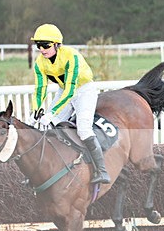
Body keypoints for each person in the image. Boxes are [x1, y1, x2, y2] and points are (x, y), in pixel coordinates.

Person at [30, 23, 110, 184]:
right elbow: (40, 89)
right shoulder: (40, 62)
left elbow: (70, 90)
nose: (42, 49)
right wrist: (36, 111)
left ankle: (102, 171)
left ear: (57, 44)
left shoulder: (71, 55)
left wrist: (52, 113)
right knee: (48, 127)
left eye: (46, 45)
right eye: (38, 45)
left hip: (84, 90)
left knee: (84, 129)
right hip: (64, 90)